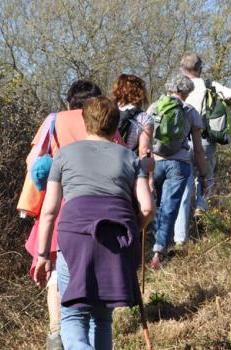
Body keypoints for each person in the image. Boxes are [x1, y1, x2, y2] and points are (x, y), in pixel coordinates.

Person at [33, 96, 154, 350]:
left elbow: (49, 211)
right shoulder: (130, 158)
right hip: (118, 234)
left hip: (75, 236)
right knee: (102, 318)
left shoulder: (64, 156)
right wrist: (132, 231)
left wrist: (43, 254)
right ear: (115, 124)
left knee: (73, 314)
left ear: (86, 121)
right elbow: (146, 207)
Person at [17, 80, 105, 350]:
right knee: (94, 269)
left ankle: (57, 332)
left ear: (70, 102)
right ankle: (87, 328)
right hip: (102, 203)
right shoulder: (103, 121)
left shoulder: (54, 120)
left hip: (63, 200)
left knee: (56, 268)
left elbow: (33, 160)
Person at [148, 73, 208, 268]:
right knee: (171, 205)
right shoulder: (190, 112)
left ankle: (154, 243)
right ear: (186, 92)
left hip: (155, 162)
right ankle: (159, 250)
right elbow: (198, 149)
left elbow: (145, 139)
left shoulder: (154, 107)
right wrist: (204, 173)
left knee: (155, 204)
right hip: (180, 164)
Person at [179, 52, 231, 215]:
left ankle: (185, 217)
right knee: (206, 176)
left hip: (181, 141)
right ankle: (202, 208)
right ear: (200, 68)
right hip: (205, 139)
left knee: (186, 178)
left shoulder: (178, 87)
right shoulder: (208, 84)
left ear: (182, 69)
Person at [112, 74, 153, 155]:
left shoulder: (107, 111)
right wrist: (149, 158)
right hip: (128, 163)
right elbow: (144, 150)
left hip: (105, 161)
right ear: (141, 93)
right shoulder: (144, 118)